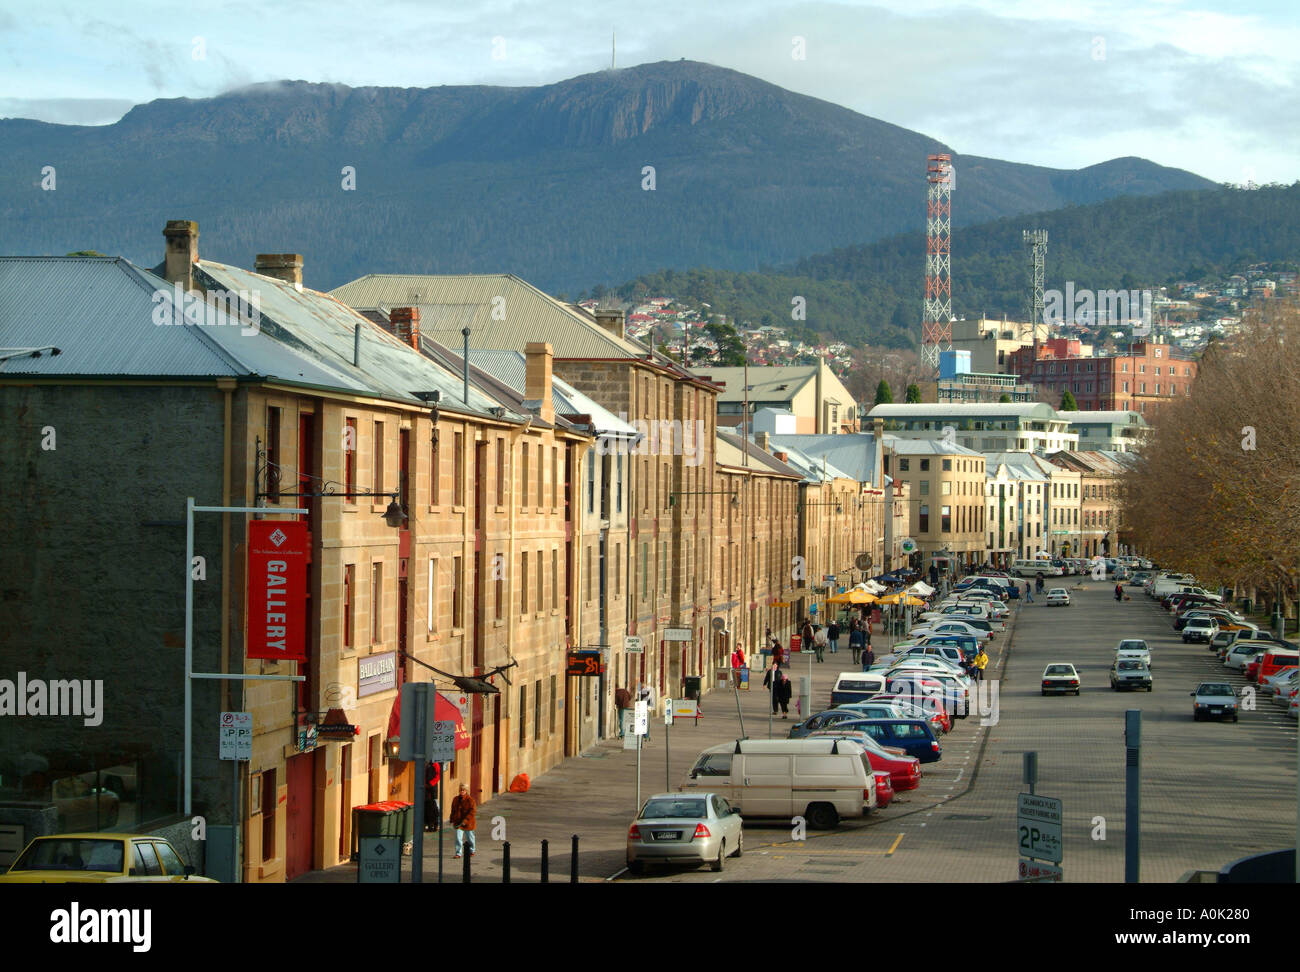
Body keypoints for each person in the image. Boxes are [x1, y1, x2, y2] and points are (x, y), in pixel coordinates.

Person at [450, 783, 476, 858]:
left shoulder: (470, 800)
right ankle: (458, 853)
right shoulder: (455, 799)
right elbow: (453, 810)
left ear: (466, 791)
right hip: (458, 822)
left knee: (470, 838)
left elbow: (472, 812)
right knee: (458, 838)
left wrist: (466, 820)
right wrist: (452, 818)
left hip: (468, 823)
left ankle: (472, 850)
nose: (462, 791)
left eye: (463, 790)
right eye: (460, 790)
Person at [423, 761, 441, 833]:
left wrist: (431, 783)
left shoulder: (435, 764)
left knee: (435, 807)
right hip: (426, 789)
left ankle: (437, 824)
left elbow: (438, 775)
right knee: (426, 807)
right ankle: (428, 824)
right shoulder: (425, 764)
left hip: (432, 789)